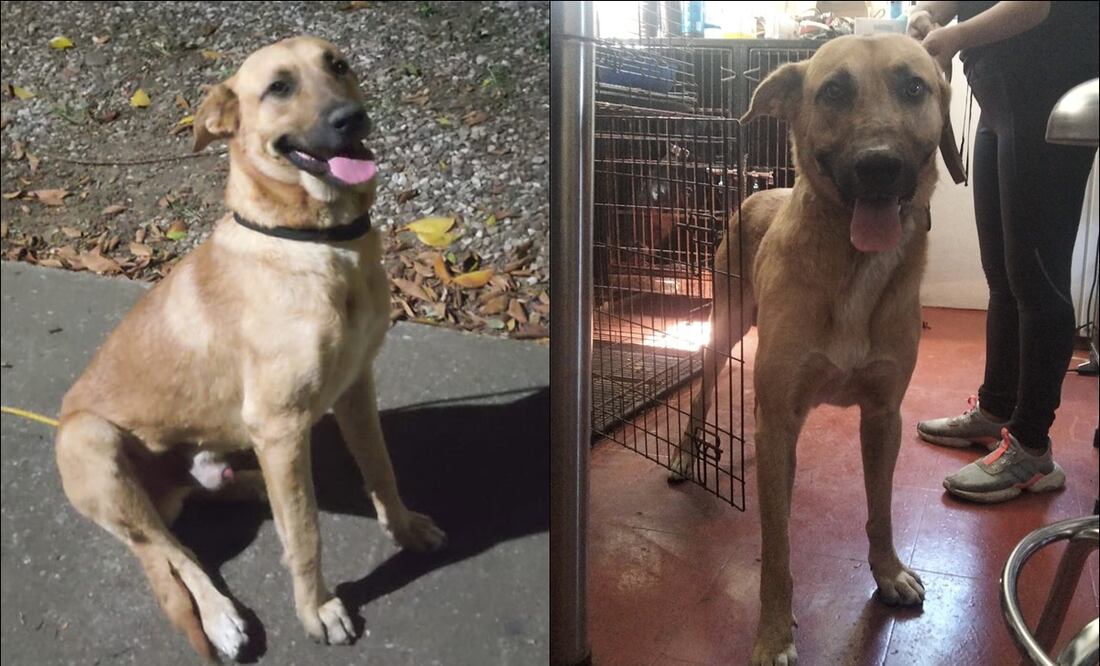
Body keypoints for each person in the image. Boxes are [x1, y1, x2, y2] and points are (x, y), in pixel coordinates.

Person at [907, 1, 1099, 503]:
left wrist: (953, 37)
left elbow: (1034, 6)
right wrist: (926, 13)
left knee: (1037, 278)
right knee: (1005, 277)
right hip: (1001, 95)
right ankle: (995, 412)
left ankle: (1032, 450)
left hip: (1047, 88)